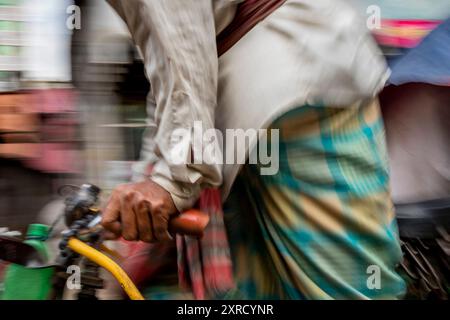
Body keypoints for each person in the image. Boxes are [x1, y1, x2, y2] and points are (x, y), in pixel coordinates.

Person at [101, 0, 406, 299]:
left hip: (294, 79)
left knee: (349, 290)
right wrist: (157, 171)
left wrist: (173, 178)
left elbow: (182, 36)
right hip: (244, 103)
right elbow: (168, 59)